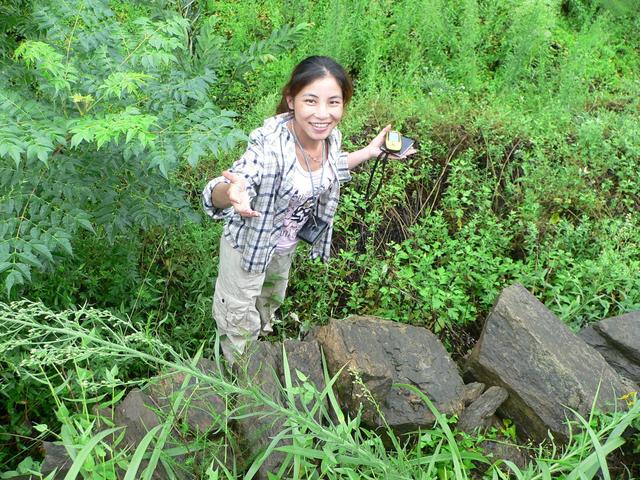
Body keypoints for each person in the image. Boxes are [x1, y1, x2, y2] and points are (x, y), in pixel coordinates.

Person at [202, 56, 415, 363]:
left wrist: (370, 152)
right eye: (311, 101)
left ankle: (261, 338)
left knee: (270, 298)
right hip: (248, 247)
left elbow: (329, 168)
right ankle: (240, 375)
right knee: (237, 312)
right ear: (291, 100)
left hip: (284, 247)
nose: (322, 114)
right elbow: (225, 186)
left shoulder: (330, 138)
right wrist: (231, 191)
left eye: (333, 102)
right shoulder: (269, 146)